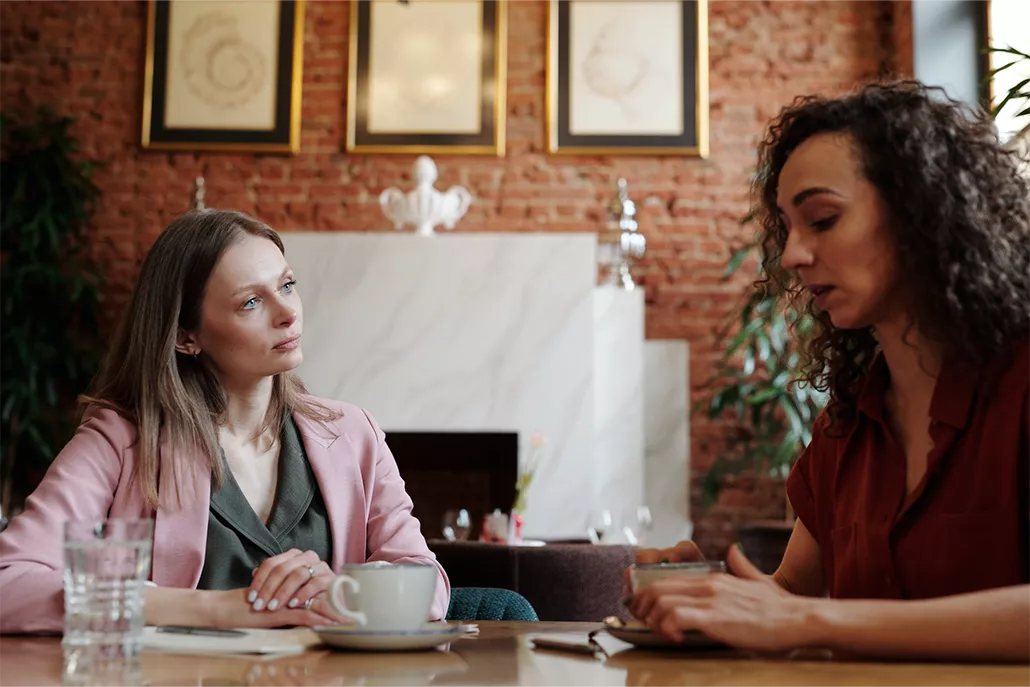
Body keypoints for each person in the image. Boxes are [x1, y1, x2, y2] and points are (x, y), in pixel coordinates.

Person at [627, 80, 1030, 661]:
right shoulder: (847, 423)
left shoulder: (1019, 381)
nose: (791, 255)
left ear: (922, 212)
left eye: (822, 219)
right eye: (787, 227)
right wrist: (709, 596)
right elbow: (793, 599)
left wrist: (808, 618)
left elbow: (809, 617)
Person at [0, 209, 450, 633]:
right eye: (251, 301)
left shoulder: (352, 433)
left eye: (287, 284)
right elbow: (9, 581)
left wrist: (345, 592)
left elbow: (428, 583)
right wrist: (215, 609)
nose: (288, 312)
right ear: (185, 336)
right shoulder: (119, 440)